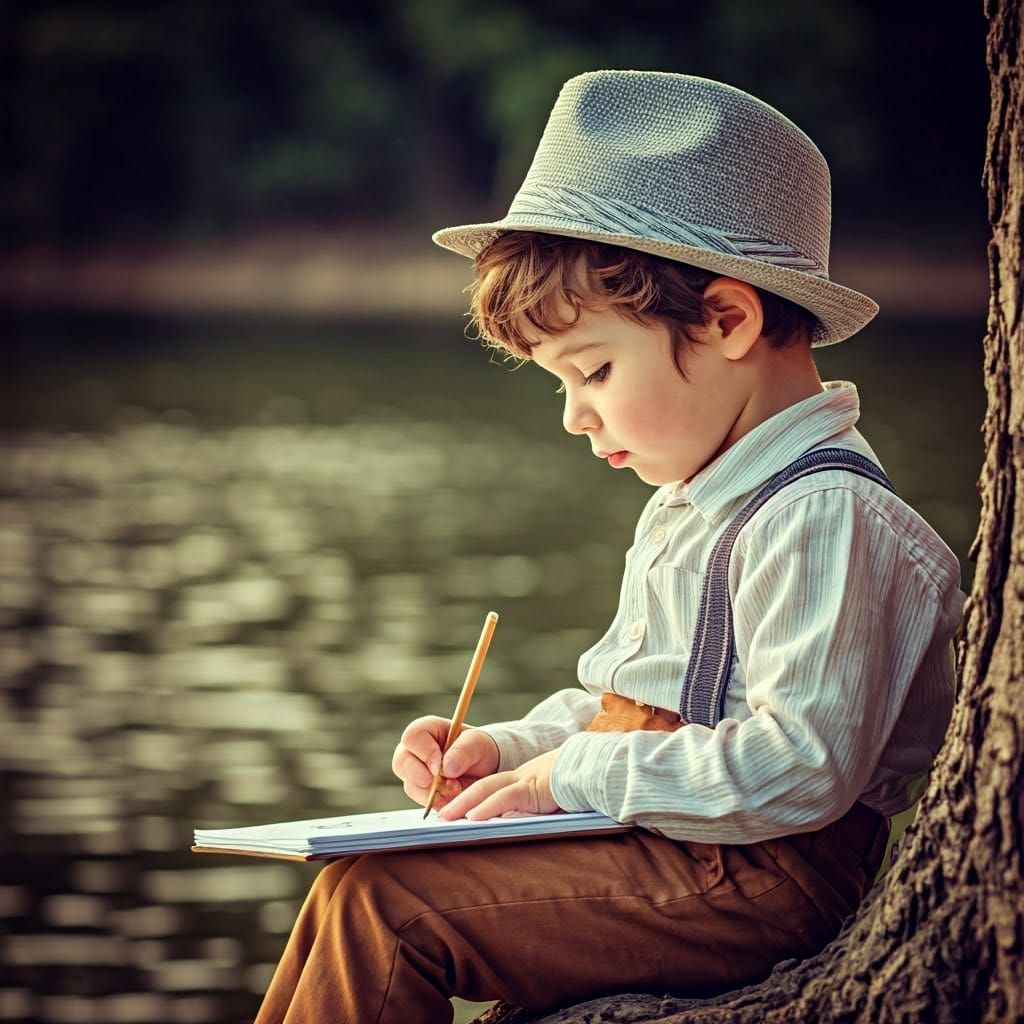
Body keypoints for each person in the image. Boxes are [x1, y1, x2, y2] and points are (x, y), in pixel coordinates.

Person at [254, 70, 965, 1024]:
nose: (575, 416)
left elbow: (800, 768)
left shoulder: (822, 513)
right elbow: (632, 712)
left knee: (390, 908)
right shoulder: (696, 497)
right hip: (672, 849)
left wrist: (564, 776)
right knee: (354, 883)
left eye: (591, 370)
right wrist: (507, 753)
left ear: (727, 320)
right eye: (560, 382)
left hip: (764, 877)